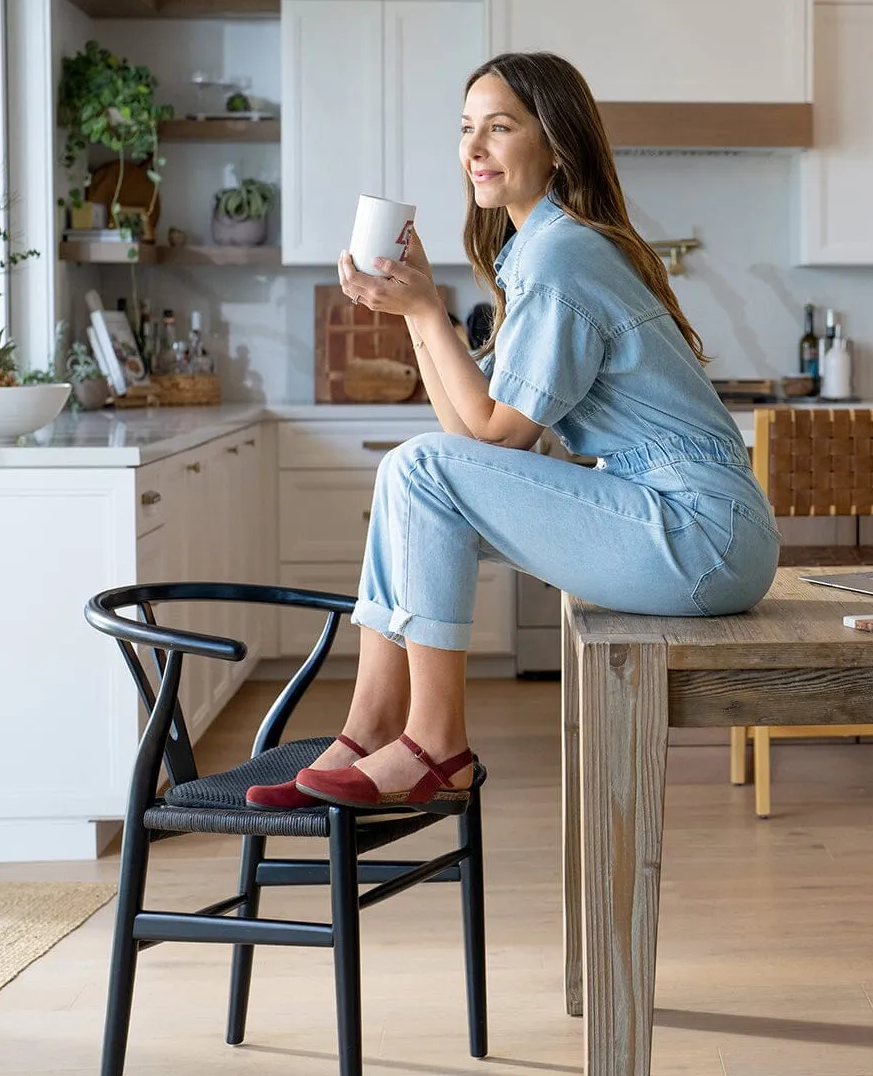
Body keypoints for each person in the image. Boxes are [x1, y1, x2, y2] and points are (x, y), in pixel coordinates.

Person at [246, 51, 779, 814]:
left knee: (419, 469)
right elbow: (467, 435)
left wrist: (429, 315)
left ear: (556, 145)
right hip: (679, 520)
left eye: (500, 127)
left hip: (699, 531)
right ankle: (368, 732)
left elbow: (498, 439)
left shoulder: (563, 255)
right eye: (467, 129)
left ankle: (434, 745)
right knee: (413, 481)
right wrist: (420, 311)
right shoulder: (538, 250)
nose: (473, 148)